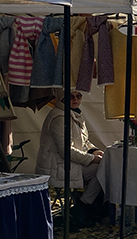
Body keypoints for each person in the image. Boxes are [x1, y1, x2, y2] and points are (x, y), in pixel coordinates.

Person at [36, 90, 105, 220]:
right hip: (59, 167)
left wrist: (93, 150)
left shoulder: (74, 114)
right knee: (103, 170)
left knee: (103, 167)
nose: (75, 100)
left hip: (69, 163)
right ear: (62, 99)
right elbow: (66, 151)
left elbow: (82, 141)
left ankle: (85, 202)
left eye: (78, 96)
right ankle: (83, 204)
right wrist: (91, 159)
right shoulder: (60, 118)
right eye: (70, 97)